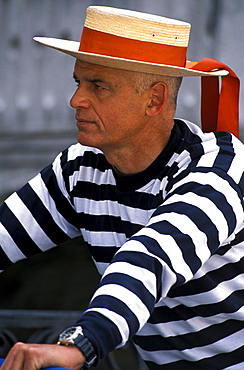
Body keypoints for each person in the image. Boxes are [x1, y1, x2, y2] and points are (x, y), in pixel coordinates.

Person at [0, 5, 243, 370]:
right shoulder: (81, 167)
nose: (75, 100)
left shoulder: (220, 170)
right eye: (78, 82)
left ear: (155, 99)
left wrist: (78, 346)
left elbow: (150, 259)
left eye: (98, 86)